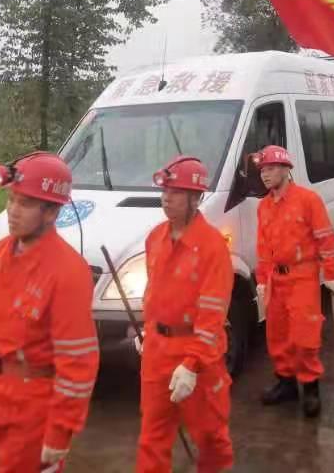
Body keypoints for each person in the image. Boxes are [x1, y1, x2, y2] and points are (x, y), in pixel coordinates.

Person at [0, 152, 99, 473]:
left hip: (33, 410)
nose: (13, 211)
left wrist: (60, 430)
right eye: (11, 200)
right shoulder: (1, 251)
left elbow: (78, 362)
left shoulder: (68, 271)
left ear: (52, 211)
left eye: (25, 204)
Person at [136, 156, 234, 472]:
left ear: (196, 198)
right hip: (156, 352)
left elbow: (212, 313)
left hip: (198, 357)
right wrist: (148, 330)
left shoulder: (212, 246)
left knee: (211, 437)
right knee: (152, 436)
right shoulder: (155, 237)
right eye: (165, 190)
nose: (167, 197)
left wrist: (192, 365)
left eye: (176, 191)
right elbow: (153, 293)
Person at [253, 145, 334, 417]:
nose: (265, 175)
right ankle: (286, 383)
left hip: (302, 276)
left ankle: (310, 387)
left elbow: (325, 238)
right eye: (262, 170)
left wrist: (332, 273)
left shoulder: (308, 200)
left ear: (286, 169)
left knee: (304, 336)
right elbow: (263, 245)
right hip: (275, 279)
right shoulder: (264, 206)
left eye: (270, 169)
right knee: (277, 335)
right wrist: (261, 279)